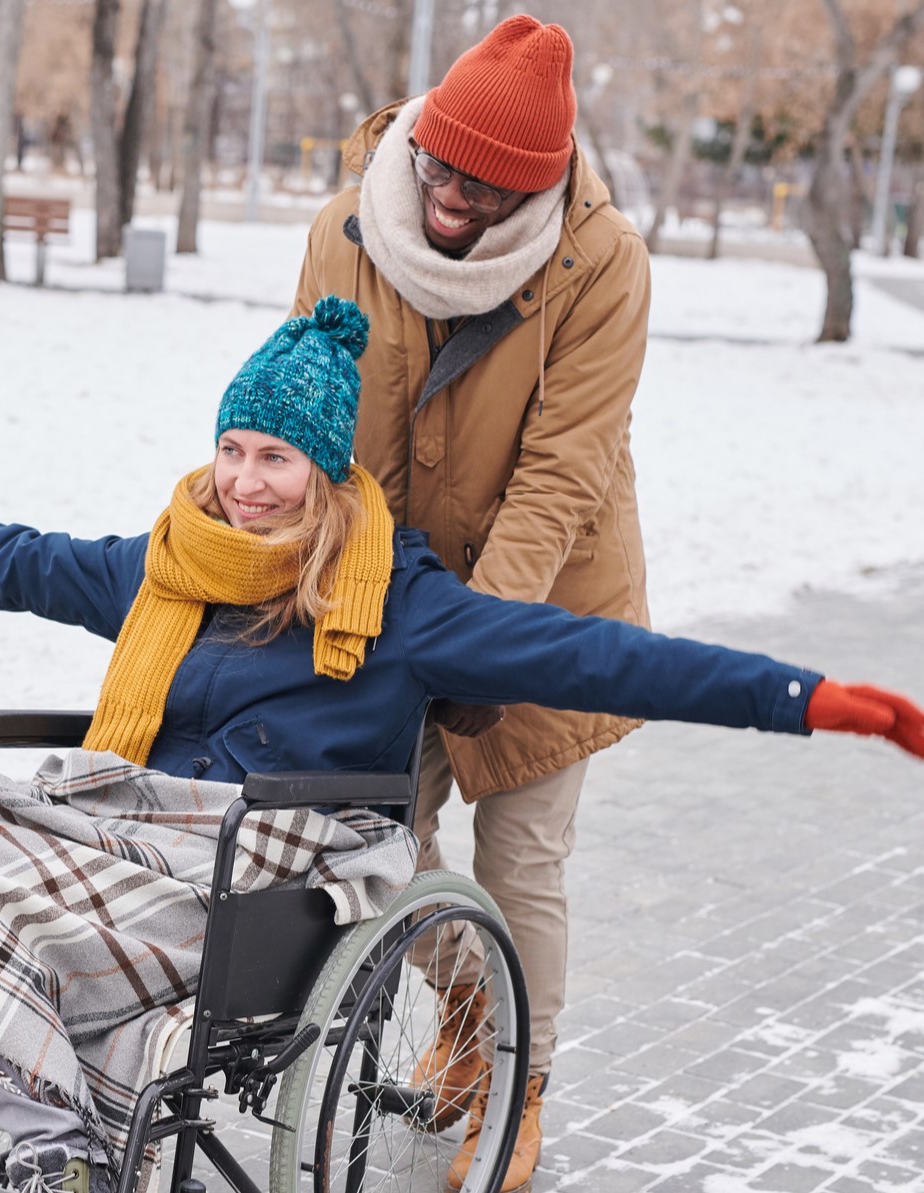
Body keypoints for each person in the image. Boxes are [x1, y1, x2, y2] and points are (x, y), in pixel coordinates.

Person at [0, 299, 924, 1193]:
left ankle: (56, 1157)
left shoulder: (400, 601)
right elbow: (16, 559)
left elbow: (592, 656)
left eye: (275, 459)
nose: (245, 484)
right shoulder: (171, 562)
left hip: (273, 865)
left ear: (327, 474)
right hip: (127, 822)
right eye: (233, 450)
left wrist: (800, 695)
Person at [289, 16, 662, 1185]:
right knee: (377, 832)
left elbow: (562, 474)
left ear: (540, 186)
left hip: (549, 601)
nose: (455, 197)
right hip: (387, 584)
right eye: (445, 167)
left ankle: (522, 1078)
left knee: (524, 853)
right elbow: (315, 420)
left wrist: (480, 634)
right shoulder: (349, 228)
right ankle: (467, 1008)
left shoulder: (603, 266)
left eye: (491, 187)